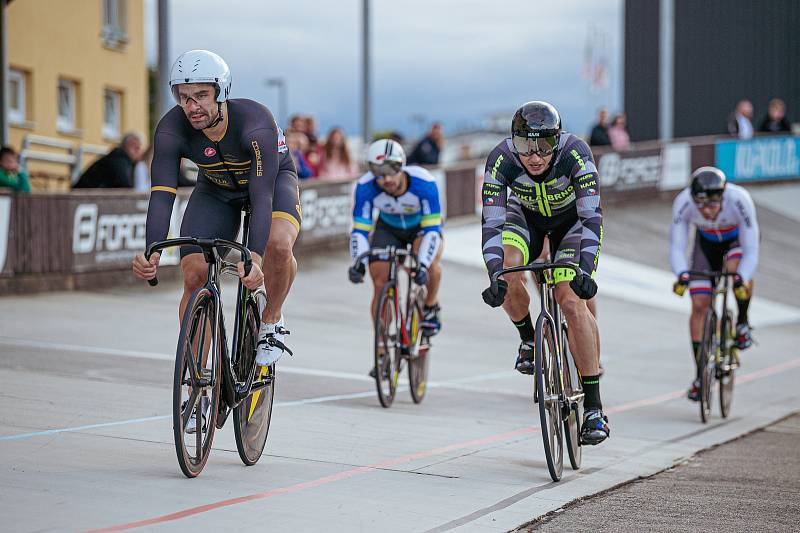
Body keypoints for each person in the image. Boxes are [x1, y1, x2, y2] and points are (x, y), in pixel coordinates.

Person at [132, 50, 302, 424]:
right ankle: (197, 385)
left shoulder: (255, 122)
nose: (192, 106)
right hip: (217, 189)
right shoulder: (171, 128)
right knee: (193, 272)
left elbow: (261, 197)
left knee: (277, 245)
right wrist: (152, 251)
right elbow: (162, 192)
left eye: (201, 95)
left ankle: (271, 322)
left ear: (220, 91)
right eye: (184, 96)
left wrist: (253, 259)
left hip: (271, 185)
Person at [480, 101, 608, 446]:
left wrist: (585, 270)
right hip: (524, 219)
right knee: (507, 271)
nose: (535, 157)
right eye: (525, 147)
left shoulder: (576, 154)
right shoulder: (501, 159)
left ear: (558, 138)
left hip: (571, 225)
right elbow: (491, 223)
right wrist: (495, 274)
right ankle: (528, 339)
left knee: (570, 301)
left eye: (544, 146)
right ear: (513, 142)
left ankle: (594, 408)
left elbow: (591, 219)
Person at [348, 139, 444, 374]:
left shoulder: (424, 182)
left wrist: (421, 264)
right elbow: (360, 231)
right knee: (379, 282)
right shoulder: (365, 187)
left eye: (391, 171)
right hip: (388, 229)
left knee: (430, 265)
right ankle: (382, 351)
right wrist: (358, 261)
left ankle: (430, 306)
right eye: (379, 174)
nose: (386, 180)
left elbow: (433, 231)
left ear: (401, 166)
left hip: (421, 228)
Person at [670, 167, 759, 402]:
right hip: (705, 245)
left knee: (736, 268)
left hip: (735, 243)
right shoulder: (684, 202)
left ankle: (742, 322)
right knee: (699, 305)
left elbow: (752, 249)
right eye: (701, 206)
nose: (707, 211)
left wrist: (742, 277)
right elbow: (677, 246)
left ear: (722, 196)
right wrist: (681, 274)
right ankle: (701, 375)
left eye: (712, 205)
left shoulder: (739, 200)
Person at [73, 132, 143, 188]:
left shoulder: (119, 158)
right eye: (136, 147)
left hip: (87, 195)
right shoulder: (119, 159)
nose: (139, 152)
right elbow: (125, 185)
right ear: (128, 145)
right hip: (83, 198)